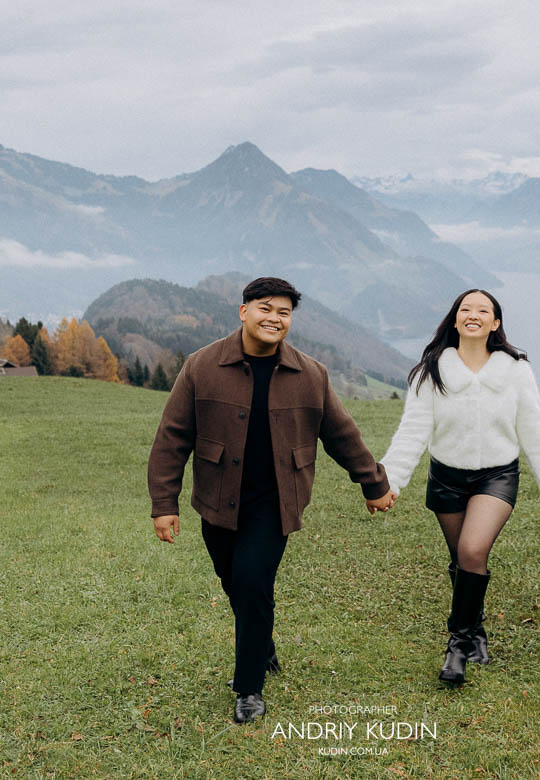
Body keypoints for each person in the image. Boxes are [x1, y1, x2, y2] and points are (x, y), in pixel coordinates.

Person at [147, 277, 395, 723]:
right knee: (239, 583)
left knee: (251, 578)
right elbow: (172, 437)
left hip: (276, 500)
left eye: (283, 312)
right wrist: (164, 503)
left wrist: (373, 484)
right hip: (218, 498)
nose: (274, 318)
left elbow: (341, 434)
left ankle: (249, 688)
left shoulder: (310, 374)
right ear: (243, 312)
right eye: (265, 308)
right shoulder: (201, 366)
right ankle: (262, 643)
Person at [380, 289, 540, 685]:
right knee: (464, 562)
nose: (474, 315)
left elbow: (533, 428)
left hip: (496, 477)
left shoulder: (516, 370)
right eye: (466, 309)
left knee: (471, 550)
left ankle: (457, 645)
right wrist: (391, 481)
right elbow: (413, 432)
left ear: (495, 323)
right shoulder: (429, 372)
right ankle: (477, 630)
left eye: (483, 310)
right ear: (455, 320)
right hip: (446, 478)